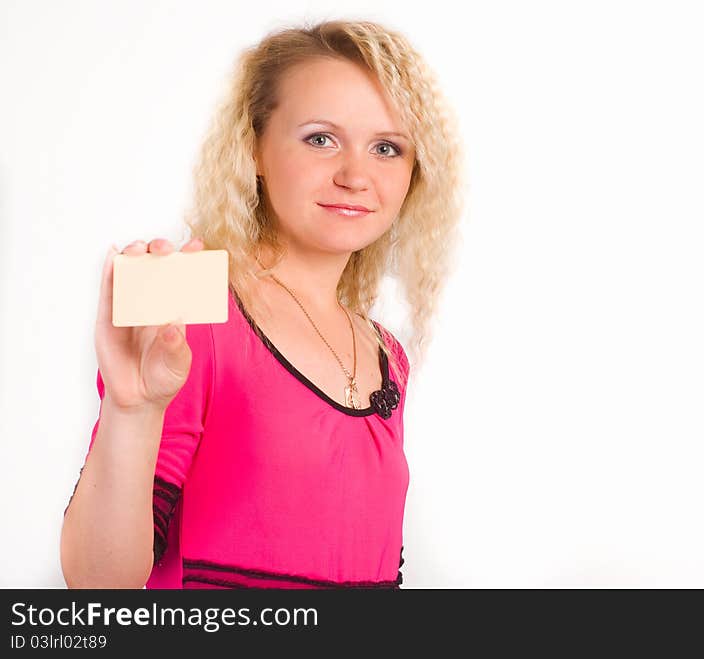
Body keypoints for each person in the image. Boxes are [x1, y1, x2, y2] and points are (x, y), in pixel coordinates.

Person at [59, 19, 465, 589]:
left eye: (387, 148)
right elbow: (101, 587)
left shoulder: (385, 355)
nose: (355, 175)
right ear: (253, 148)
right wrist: (132, 410)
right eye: (320, 138)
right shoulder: (195, 312)